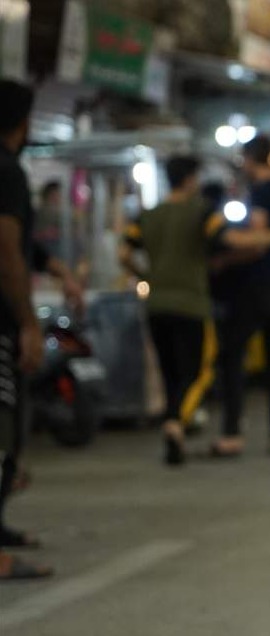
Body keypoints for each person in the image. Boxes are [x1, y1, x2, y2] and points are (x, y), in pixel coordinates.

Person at [120, 156, 270, 466]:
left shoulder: (149, 214)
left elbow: (124, 252)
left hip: (156, 304)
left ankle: (175, 425)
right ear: (189, 181)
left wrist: (146, 276)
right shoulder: (200, 212)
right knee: (197, 370)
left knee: (170, 371)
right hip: (191, 304)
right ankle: (174, 422)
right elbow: (230, 239)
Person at [0, 80, 84, 580]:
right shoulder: (7, 171)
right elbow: (6, 249)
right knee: (3, 430)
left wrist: (55, 267)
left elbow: (21, 246)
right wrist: (28, 323)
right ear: (22, 122)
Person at [211, 136, 270, 458]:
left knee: (234, 355)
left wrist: (223, 260)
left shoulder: (261, 193)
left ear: (250, 159)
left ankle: (232, 432)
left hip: (256, 286)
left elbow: (257, 241)